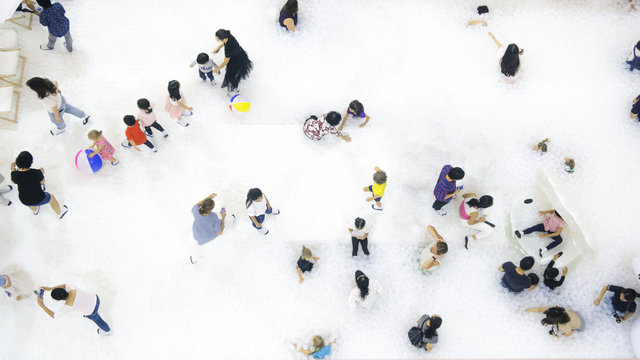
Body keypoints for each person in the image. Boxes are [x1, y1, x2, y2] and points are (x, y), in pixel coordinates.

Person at [11, 151, 68, 218]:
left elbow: (13, 181)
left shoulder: (14, 175)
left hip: (24, 199)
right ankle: (59, 213)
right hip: (38, 198)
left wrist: (12, 170)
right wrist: (41, 173)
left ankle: (35, 210)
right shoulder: (36, 173)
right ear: (30, 163)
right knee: (51, 198)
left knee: (29, 203)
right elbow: (42, 182)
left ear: (17, 162)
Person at [36, 284, 111, 335]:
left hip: (91, 311)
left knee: (97, 320)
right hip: (95, 298)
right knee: (89, 308)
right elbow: (65, 285)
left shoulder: (68, 306)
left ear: (59, 300)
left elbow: (54, 316)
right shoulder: (72, 288)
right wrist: (50, 288)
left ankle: (107, 331)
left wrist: (42, 305)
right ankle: (97, 309)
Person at [25, 77, 89, 135]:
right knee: (70, 109)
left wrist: (57, 117)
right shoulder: (48, 82)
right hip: (61, 100)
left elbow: (54, 107)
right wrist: (57, 89)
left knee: (55, 119)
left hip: (57, 109)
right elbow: (55, 82)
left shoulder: (46, 97)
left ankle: (61, 128)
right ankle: (85, 115)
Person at [190, 193, 234, 264]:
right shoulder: (213, 218)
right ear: (210, 210)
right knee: (225, 223)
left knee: (197, 247)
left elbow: (198, 204)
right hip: (206, 236)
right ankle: (232, 219)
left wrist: (208, 197)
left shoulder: (196, 210)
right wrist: (223, 217)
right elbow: (220, 232)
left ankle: (194, 259)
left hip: (196, 232)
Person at [212, 29, 253, 95]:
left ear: (222, 38)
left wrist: (217, 69)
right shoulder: (229, 36)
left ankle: (235, 88)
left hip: (236, 59)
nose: (216, 39)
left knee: (231, 76)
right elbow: (224, 43)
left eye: (217, 38)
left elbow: (225, 62)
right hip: (240, 53)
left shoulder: (228, 49)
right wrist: (218, 48)